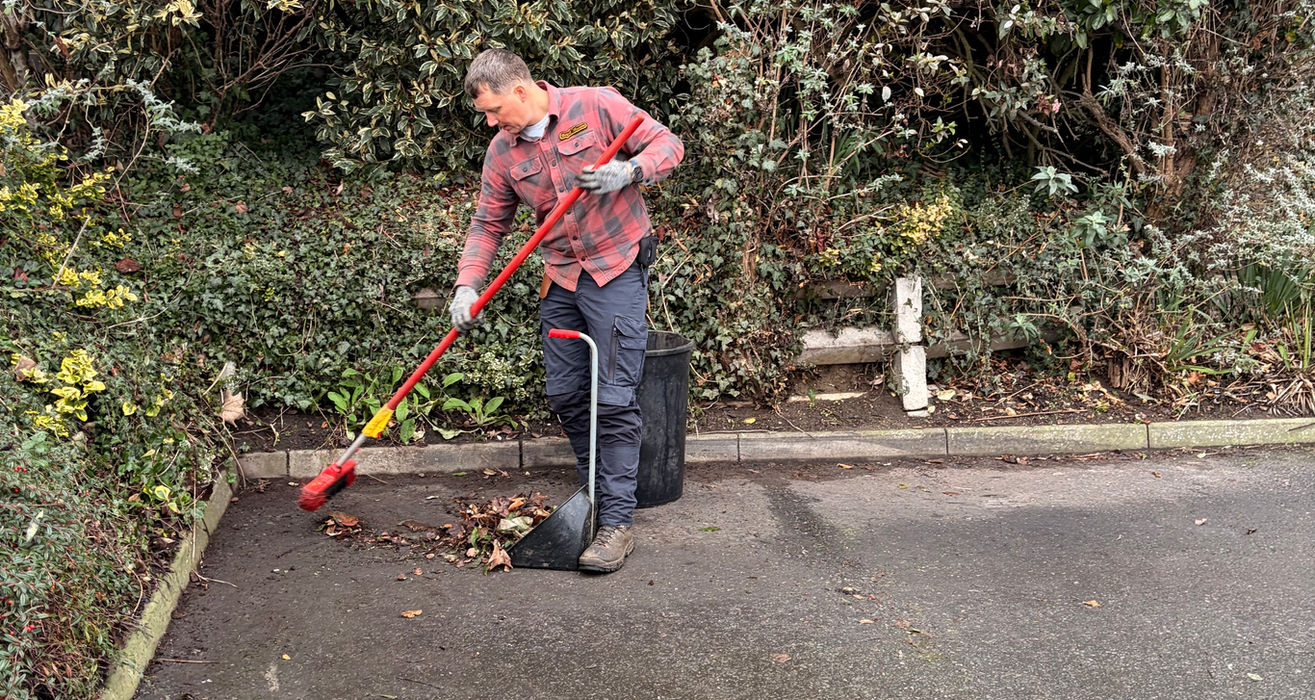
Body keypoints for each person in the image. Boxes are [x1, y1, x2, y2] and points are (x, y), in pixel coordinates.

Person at [450, 49, 684, 572]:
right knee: (566, 392)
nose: (490, 122)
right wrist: (468, 286)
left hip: (615, 265)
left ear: (519, 90)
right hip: (561, 274)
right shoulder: (502, 152)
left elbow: (669, 144)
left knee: (614, 398)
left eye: (492, 111)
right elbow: (488, 224)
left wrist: (630, 171)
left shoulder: (594, 106)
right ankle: (596, 489)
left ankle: (617, 523)